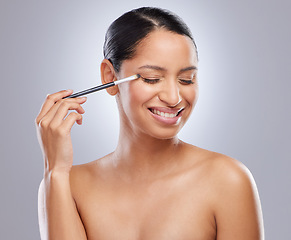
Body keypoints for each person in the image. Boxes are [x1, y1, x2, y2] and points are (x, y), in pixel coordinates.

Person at [36, 7, 264, 240]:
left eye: (187, 79)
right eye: (152, 78)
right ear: (110, 76)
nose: (173, 97)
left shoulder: (227, 181)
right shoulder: (66, 185)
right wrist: (55, 170)